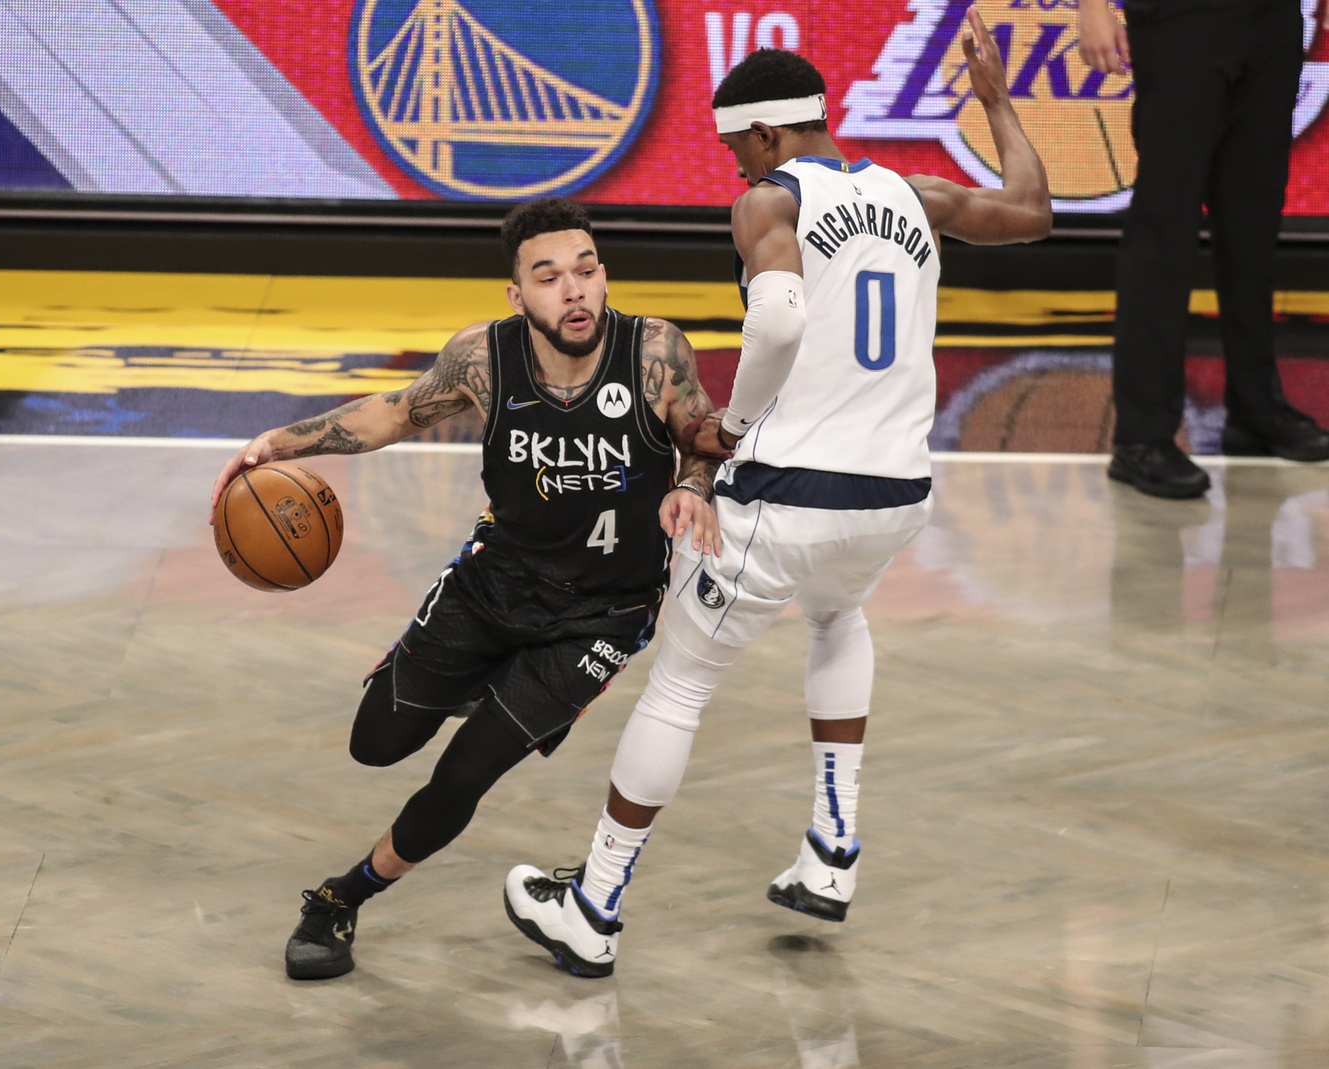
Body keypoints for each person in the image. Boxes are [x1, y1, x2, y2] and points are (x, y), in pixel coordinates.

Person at [503, 11, 1051, 977]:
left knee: (679, 680)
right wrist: (998, 104)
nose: (733, 170)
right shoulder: (912, 193)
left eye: (732, 151)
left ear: (763, 136)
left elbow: (783, 320)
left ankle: (591, 907)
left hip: (792, 494)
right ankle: (831, 853)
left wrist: (740, 426)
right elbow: (1031, 211)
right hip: (896, 494)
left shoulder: (768, 204)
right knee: (838, 618)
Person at [209, 198, 722, 980]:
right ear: (518, 296)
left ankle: (339, 898)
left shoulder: (654, 350)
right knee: (375, 744)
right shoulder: (483, 358)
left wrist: (693, 485)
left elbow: (698, 435)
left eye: (586, 270)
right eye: (549, 278)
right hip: (492, 586)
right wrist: (279, 441)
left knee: (464, 774)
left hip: (599, 618)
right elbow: (392, 415)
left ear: (604, 274)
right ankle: (475, 678)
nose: (574, 290)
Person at [1078, 0, 1329, 499]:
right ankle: (1142, 437)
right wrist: (1091, 5)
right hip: (1181, 21)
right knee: (1164, 226)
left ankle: (1255, 409)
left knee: (1253, 227)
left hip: (1273, 20)